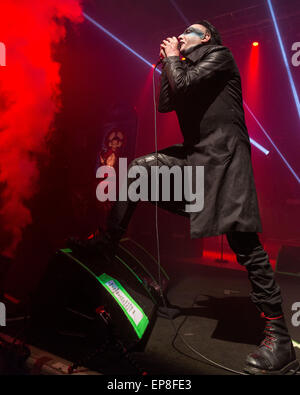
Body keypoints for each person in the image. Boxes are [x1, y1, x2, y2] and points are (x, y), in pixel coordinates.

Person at [69, 20, 299, 375]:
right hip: (196, 159)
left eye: (188, 32)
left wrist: (175, 58)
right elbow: (165, 103)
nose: (180, 35)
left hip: (223, 163)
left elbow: (185, 83)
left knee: (246, 248)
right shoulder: (186, 66)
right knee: (139, 171)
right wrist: (169, 62)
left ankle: (280, 340)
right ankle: (107, 241)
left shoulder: (220, 56)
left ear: (204, 38)